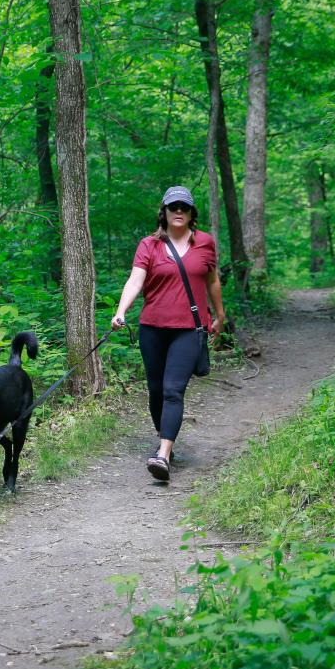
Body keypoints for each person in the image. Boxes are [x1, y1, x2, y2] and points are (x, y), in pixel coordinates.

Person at [111, 185, 225, 482]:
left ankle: (162, 454)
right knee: (157, 391)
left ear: (191, 214)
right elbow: (135, 280)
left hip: (189, 329)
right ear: (164, 211)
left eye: (184, 208)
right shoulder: (149, 244)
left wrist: (220, 314)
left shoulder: (205, 243)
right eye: (173, 207)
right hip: (152, 329)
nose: (178, 212)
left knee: (174, 389)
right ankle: (166, 440)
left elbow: (213, 281)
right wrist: (121, 311)